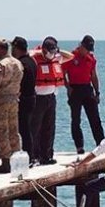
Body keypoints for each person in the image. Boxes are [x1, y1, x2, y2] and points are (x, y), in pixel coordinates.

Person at [31, 36, 73, 164]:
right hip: (38, 98)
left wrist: (57, 51)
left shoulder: (56, 58)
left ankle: (47, 155)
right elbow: (27, 53)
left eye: (53, 51)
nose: (51, 54)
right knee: (35, 128)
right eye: (49, 51)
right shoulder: (35, 58)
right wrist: (40, 51)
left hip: (51, 97)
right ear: (44, 49)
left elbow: (70, 56)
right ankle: (34, 155)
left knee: (49, 128)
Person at [0, 38, 23, 173]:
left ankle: (6, 162)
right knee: (14, 130)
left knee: (1, 131)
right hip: (14, 99)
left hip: (0, 101)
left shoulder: (0, 65)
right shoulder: (18, 63)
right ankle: (16, 158)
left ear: (1, 49)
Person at [63, 35, 104, 153]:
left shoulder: (91, 58)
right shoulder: (70, 57)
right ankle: (79, 146)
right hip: (75, 89)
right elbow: (63, 74)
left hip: (87, 88)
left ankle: (100, 144)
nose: (87, 51)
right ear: (81, 45)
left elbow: (94, 76)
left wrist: (97, 92)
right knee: (76, 119)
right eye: (86, 48)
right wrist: (68, 87)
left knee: (95, 118)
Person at [11, 36, 37, 163]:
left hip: (24, 99)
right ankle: (30, 155)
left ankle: (29, 156)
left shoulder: (22, 64)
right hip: (32, 98)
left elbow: (20, 83)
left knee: (24, 130)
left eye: (13, 48)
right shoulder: (32, 61)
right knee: (27, 129)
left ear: (17, 48)